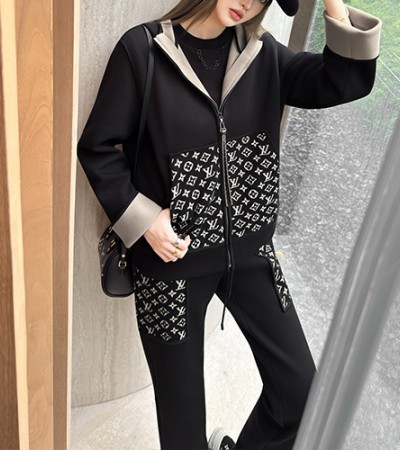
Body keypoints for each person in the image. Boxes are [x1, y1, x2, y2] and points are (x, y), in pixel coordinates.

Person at [77, 0, 381, 448]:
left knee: (302, 400)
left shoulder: (264, 55)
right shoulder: (143, 50)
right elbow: (98, 148)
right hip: (171, 269)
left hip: (251, 258)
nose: (248, 2)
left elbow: (348, 79)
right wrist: (146, 220)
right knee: (183, 433)